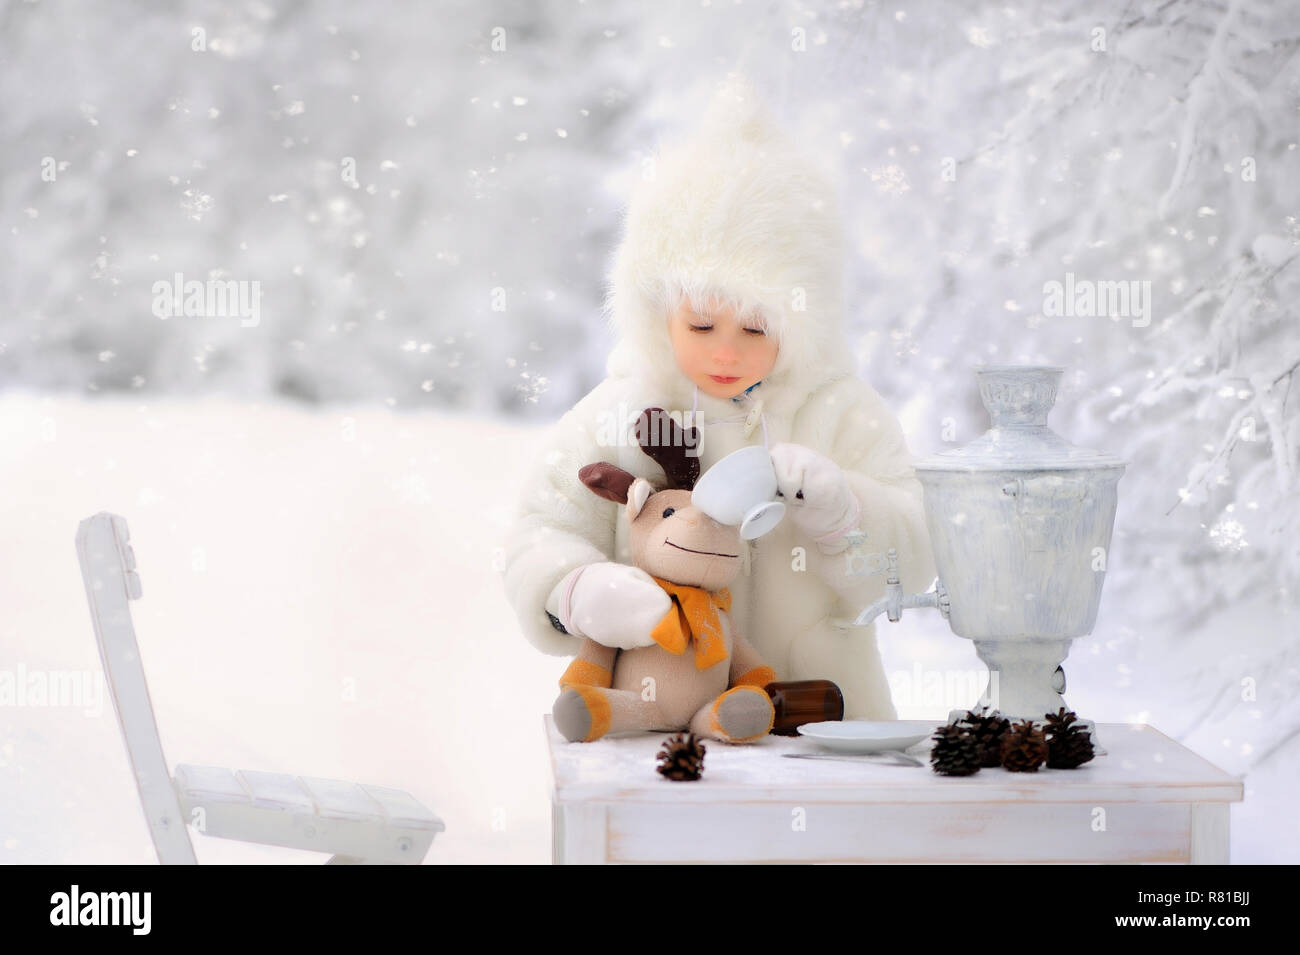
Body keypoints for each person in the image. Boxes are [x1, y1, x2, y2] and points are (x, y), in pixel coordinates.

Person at [498, 74, 935, 719]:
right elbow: (543, 528)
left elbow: (911, 567)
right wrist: (573, 588)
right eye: (702, 326)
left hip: (824, 730)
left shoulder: (843, 412)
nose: (726, 352)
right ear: (657, 314)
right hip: (656, 733)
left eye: (757, 327)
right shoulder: (620, 413)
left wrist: (849, 517)